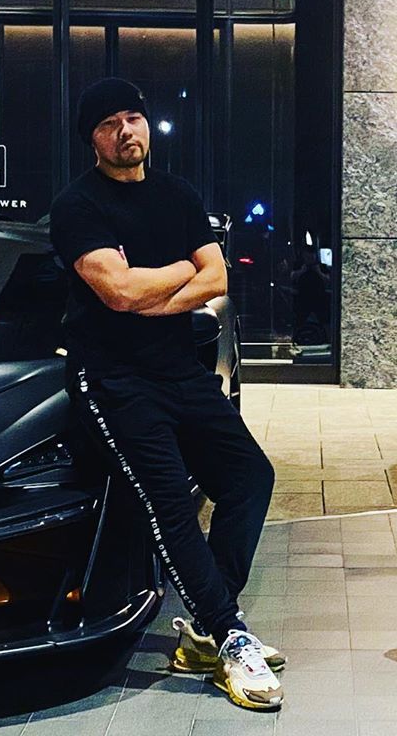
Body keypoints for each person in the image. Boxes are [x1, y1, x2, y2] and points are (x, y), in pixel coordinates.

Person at [49, 77, 284, 712]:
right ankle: (230, 635)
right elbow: (120, 292)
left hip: (179, 368)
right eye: (108, 124)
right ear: (93, 140)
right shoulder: (77, 207)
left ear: (147, 125)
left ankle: (210, 627)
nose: (125, 131)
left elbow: (217, 276)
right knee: (171, 503)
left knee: (249, 478)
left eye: (133, 117)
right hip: (114, 380)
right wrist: (181, 271)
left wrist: (155, 289)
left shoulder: (178, 194)